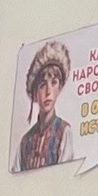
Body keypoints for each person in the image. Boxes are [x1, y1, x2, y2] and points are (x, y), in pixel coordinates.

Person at [16, 40, 72, 171]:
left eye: (54, 83)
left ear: (60, 87)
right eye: (42, 85)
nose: (48, 92)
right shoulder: (25, 142)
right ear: (35, 93)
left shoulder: (64, 132)